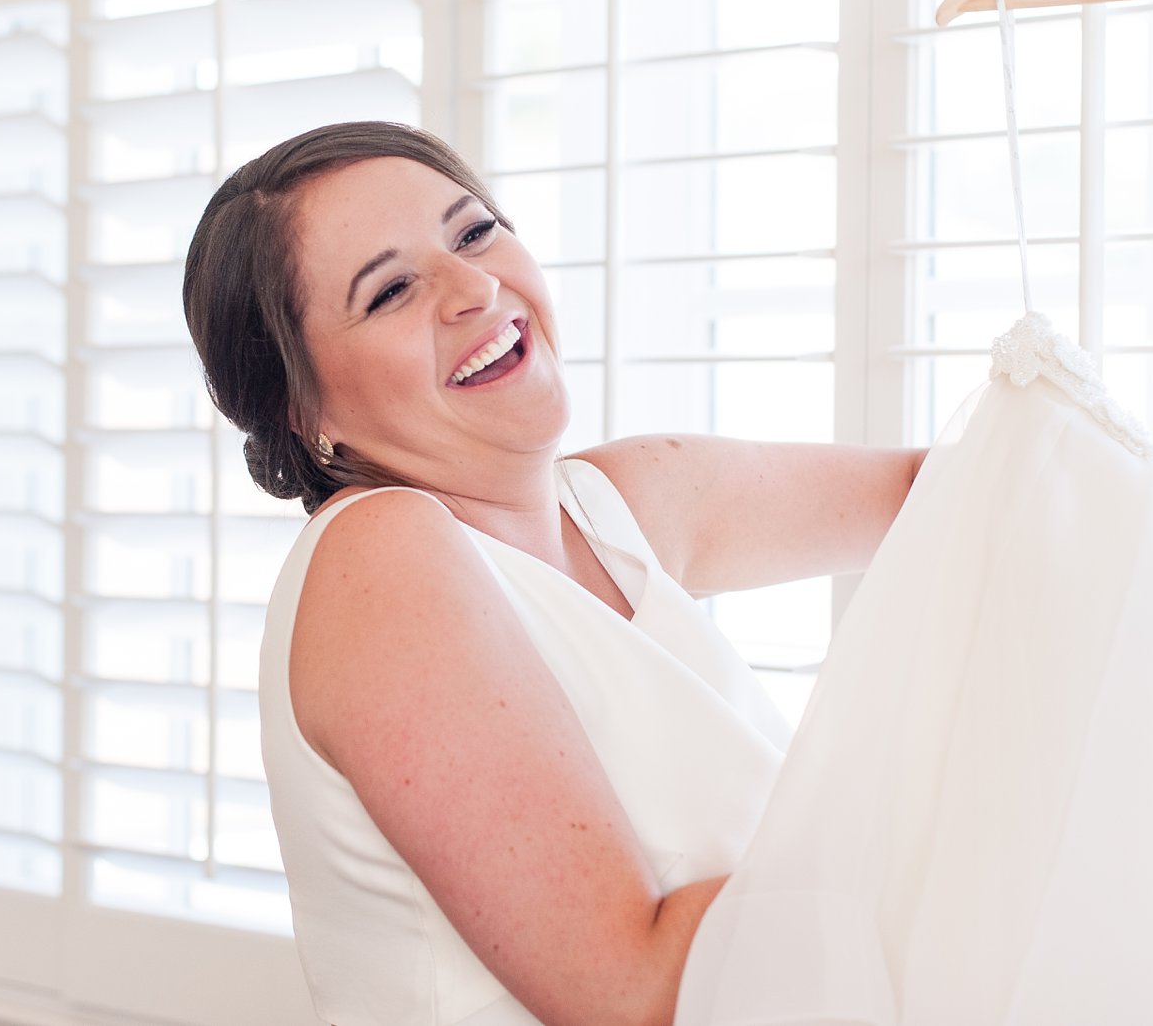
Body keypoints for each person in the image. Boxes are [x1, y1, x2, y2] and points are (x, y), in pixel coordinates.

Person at [183, 120, 925, 1026]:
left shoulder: (619, 503)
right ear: (304, 409)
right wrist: (959, 814)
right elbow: (635, 991)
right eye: (391, 290)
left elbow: (956, 494)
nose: (473, 287)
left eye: (473, 231)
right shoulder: (380, 555)